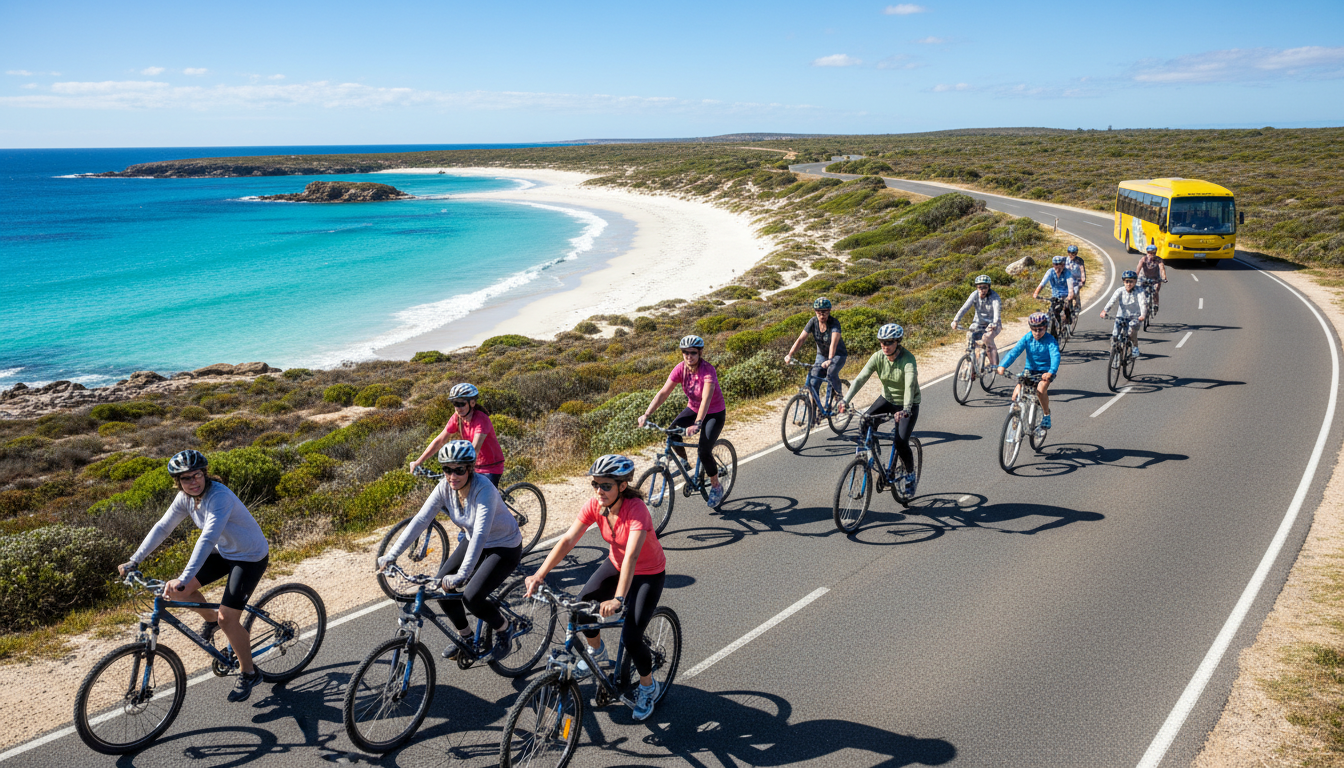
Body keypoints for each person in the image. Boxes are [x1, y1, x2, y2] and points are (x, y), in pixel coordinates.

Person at [118, 450, 271, 702]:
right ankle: (210, 620)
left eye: (197, 475)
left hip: (249, 556)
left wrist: (183, 576)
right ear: (178, 482)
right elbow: (163, 527)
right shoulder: (185, 498)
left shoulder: (219, 496)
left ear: (204, 473)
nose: (193, 481)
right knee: (184, 591)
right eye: (186, 478)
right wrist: (135, 560)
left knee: (228, 619)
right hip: (224, 552)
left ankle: (249, 672)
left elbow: (207, 537)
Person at [524, 454, 669, 722]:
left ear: (622, 486)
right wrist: (539, 574)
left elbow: (632, 558)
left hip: (648, 572)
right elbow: (568, 540)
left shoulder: (637, 510)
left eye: (605, 486)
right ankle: (596, 650)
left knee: (631, 637)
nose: (598, 491)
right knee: (581, 609)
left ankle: (648, 686)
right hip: (615, 563)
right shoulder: (595, 505)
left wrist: (618, 598)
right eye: (595, 485)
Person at [380, 440, 521, 661]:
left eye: (459, 470)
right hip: (474, 539)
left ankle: (504, 628)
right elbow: (420, 521)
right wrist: (392, 554)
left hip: (503, 545)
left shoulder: (484, 489)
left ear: (470, 469)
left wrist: (462, 575)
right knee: (441, 589)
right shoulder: (445, 487)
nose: (452, 476)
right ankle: (465, 637)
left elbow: (481, 534)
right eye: (447, 469)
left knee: (472, 596)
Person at [638, 335, 727, 508]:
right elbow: (664, 392)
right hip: (693, 408)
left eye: (693, 352)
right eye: (685, 352)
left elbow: (706, 399)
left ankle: (716, 486)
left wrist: (698, 423)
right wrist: (646, 414)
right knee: (672, 433)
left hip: (714, 413)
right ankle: (685, 463)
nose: (688, 356)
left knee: (704, 450)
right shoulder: (680, 369)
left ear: (700, 352)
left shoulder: (708, 370)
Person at [838, 323, 921, 496]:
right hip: (888, 399)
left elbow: (910, 386)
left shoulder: (908, 359)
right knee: (864, 420)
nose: (885, 346)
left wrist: (906, 409)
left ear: (898, 342)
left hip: (908, 403)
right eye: (882, 342)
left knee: (900, 441)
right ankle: (867, 452)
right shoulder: (878, 357)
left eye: (889, 342)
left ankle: (910, 475)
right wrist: (846, 400)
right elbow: (861, 378)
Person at [411, 382, 505, 487]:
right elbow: (440, 441)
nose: (458, 408)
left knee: (484, 498)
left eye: (461, 404)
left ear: (472, 403)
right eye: (455, 404)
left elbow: (475, 448)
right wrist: (418, 462)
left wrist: (458, 468)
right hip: (471, 465)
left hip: (490, 467)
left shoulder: (481, 420)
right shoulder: (457, 418)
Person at [997, 312, 1062, 430]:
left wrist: (1051, 371)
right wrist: (1002, 365)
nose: (1037, 332)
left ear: (1046, 327)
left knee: (1040, 390)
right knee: (1016, 395)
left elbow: (1055, 356)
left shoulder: (1050, 340)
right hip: (1029, 370)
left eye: (1040, 329)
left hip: (1045, 372)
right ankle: (1016, 416)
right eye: (1034, 329)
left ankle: (1046, 415)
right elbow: (1014, 352)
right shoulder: (1027, 338)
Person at [784, 297, 847, 408]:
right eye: (819, 313)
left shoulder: (834, 323)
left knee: (831, 373)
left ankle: (839, 395)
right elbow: (801, 339)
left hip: (837, 354)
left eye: (824, 312)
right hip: (821, 355)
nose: (822, 316)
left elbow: (833, 343)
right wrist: (790, 354)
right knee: (813, 382)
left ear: (829, 311)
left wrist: (830, 360)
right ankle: (814, 412)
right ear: (815, 312)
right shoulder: (813, 322)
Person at [950, 275, 1003, 365]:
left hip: (993, 325)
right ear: (977, 287)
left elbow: (996, 312)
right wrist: (955, 320)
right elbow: (965, 308)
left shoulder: (995, 297)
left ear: (989, 287)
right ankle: (970, 367)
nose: (982, 290)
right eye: (980, 287)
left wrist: (994, 323)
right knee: (969, 337)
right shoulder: (974, 295)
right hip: (978, 324)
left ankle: (994, 365)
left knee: (987, 339)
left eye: (985, 287)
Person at [1101, 270, 1149, 357]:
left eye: (1131, 281)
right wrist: (1105, 311)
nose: (1129, 284)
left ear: (1135, 282)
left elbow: (1143, 303)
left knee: (1131, 333)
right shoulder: (1120, 290)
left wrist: (1143, 315)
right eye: (1127, 281)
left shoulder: (1139, 291)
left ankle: (1135, 347)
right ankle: (1114, 355)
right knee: (1115, 336)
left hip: (1135, 317)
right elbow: (1112, 301)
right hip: (1121, 316)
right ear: (1123, 281)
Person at [1033, 255, 1077, 328]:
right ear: (1053, 265)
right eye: (1055, 264)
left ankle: (1068, 319)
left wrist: (1070, 295)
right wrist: (1036, 293)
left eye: (1060, 264)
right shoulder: (1050, 272)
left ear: (1063, 265)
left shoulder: (1067, 272)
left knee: (1066, 308)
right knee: (1053, 312)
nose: (1058, 267)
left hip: (1066, 295)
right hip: (1055, 295)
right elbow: (1042, 283)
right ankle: (1058, 327)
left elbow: (1070, 286)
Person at [1137, 244, 1168, 312]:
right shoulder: (1143, 259)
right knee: (1140, 291)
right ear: (1147, 252)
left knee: (1155, 290)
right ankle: (1140, 304)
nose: (1150, 254)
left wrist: (1164, 277)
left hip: (1155, 278)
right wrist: (1135, 276)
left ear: (1155, 253)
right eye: (1149, 252)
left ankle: (1156, 304)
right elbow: (1138, 268)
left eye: (1153, 253)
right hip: (1143, 277)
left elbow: (1162, 268)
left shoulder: (1158, 260)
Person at [1065, 245, 1087, 315]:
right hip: (1067, 280)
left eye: (1073, 253)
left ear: (1076, 253)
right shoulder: (1065, 260)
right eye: (1069, 253)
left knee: (1075, 292)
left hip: (1076, 280)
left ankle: (1077, 305)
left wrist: (1083, 278)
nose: (1071, 255)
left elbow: (1082, 269)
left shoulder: (1079, 260)